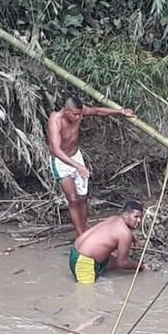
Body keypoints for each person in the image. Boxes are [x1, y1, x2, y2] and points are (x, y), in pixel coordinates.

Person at [47, 96, 135, 236]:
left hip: (76, 156)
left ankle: (84, 227)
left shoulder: (80, 113)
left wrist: (120, 112)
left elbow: (98, 111)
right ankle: (80, 234)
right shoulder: (56, 120)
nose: (77, 117)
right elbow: (56, 150)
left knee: (83, 197)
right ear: (66, 111)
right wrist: (77, 166)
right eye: (74, 114)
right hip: (61, 162)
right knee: (73, 199)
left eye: (79, 114)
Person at [69, 201, 146, 284]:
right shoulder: (125, 234)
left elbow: (109, 235)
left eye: (140, 217)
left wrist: (132, 238)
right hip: (84, 263)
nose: (139, 220)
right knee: (87, 294)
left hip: (75, 253)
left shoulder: (114, 219)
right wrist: (140, 266)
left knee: (113, 261)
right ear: (126, 215)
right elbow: (123, 263)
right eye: (136, 217)